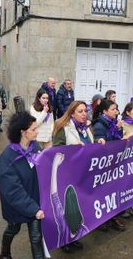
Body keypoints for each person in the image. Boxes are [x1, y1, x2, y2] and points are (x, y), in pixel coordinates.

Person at [0, 112, 45, 259]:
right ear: (22, 132)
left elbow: (45, 165)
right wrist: (33, 209)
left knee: (36, 238)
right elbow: (12, 191)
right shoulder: (7, 158)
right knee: (13, 229)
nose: (37, 132)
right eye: (33, 129)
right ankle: (5, 253)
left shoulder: (35, 146)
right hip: (16, 205)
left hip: (34, 200)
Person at [52, 101, 94, 253]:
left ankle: (74, 237)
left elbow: (91, 146)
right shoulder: (62, 127)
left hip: (82, 173)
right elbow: (55, 151)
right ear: (71, 113)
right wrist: (72, 148)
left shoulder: (87, 128)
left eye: (85, 111)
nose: (84, 114)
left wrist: (100, 144)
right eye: (80, 111)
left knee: (78, 207)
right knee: (67, 208)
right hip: (67, 174)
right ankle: (65, 240)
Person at [92, 99, 126, 231]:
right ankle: (102, 220)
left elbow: (117, 140)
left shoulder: (113, 122)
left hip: (113, 163)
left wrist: (119, 128)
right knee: (103, 192)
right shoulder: (100, 126)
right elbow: (102, 147)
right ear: (105, 111)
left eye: (116, 109)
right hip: (105, 165)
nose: (116, 111)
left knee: (112, 191)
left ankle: (111, 217)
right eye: (113, 109)